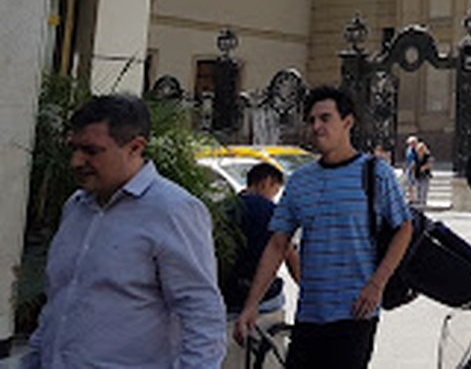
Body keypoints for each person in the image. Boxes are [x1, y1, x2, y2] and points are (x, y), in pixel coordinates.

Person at [23, 94, 226, 368]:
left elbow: (201, 313)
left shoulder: (173, 210)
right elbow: (58, 305)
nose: (76, 161)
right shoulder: (76, 206)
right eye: (74, 149)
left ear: (135, 147)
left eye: (91, 151)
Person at [234, 86, 412, 369]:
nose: (316, 126)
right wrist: (251, 305)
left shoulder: (375, 173)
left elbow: (404, 228)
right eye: (312, 120)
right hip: (309, 315)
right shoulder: (300, 181)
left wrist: (377, 284)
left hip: (355, 314)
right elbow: (278, 244)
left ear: (347, 122)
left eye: (325, 118)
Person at [220, 161, 301, 369]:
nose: (275, 195)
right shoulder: (270, 211)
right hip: (263, 303)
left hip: (226, 300)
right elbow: (288, 253)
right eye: (275, 189)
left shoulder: (224, 209)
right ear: (266, 182)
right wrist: (308, 289)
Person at [412, 139, 434, 208]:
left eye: (420, 150)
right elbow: (414, 164)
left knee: (424, 188)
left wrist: (424, 167)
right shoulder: (416, 156)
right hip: (417, 174)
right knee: (418, 187)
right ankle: (418, 200)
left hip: (425, 175)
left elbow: (430, 164)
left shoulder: (427, 156)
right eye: (418, 150)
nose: (419, 152)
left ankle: (423, 201)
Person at [403, 134, 419, 201]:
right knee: (409, 184)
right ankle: (411, 197)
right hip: (408, 168)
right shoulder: (408, 149)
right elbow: (407, 159)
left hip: (414, 169)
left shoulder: (416, 150)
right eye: (410, 143)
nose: (411, 144)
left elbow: (416, 159)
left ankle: (414, 198)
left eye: (412, 143)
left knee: (413, 184)